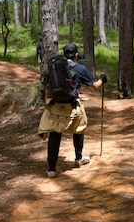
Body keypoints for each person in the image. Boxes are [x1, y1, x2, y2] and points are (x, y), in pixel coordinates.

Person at [38, 43, 107, 177]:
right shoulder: (80, 68)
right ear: (76, 55)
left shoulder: (53, 67)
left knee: (55, 134)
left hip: (55, 106)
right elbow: (94, 87)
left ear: (64, 54)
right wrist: (102, 79)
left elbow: (45, 86)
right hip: (72, 106)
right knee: (79, 128)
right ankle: (78, 158)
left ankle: (51, 169)